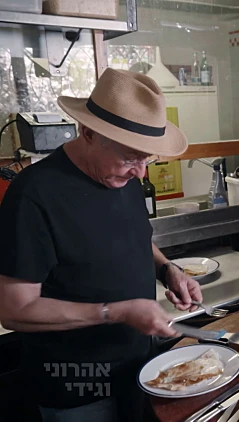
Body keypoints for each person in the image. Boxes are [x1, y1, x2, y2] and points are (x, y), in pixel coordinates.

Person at [0, 69, 204, 422]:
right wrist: (116, 312)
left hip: (140, 369)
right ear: (88, 132)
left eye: (147, 158)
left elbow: (137, 239)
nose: (140, 172)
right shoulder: (34, 195)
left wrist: (168, 270)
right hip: (79, 387)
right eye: (130, 158)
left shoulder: (122, 177)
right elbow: (15, 309)